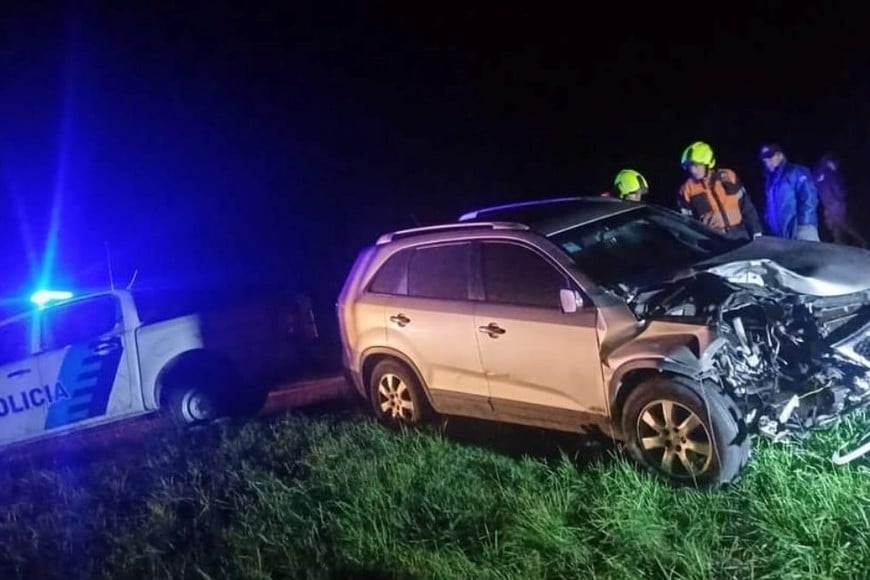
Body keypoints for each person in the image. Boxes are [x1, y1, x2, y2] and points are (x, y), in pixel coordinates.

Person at [678, 141, 763, 240]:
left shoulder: (729, 176)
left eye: (696, 166)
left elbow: (747, 208)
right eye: (689, 167)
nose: (693, 170)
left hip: (741, 234)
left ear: (707, 163)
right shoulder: (687, 190)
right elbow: (686, 223)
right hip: (713, 240)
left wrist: (756, 232)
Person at [759, 143, 820, 241]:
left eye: (770, 157)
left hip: (801, 230)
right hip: (781, 234)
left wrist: (804, 224)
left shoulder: (796, 171)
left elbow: (809, 197)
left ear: (780, 155)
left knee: (811, 256)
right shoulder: (770, 181)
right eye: (765, 160)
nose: (767, 162)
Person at [814, 152, 866, 247]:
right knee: (835, 225)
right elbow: (837, 188)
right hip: (831, 204)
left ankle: (860, 240)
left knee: (841, 223)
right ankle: (840, 244)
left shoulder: (827, 173)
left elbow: (838, 189)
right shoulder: (827, 173)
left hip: (833, 204)